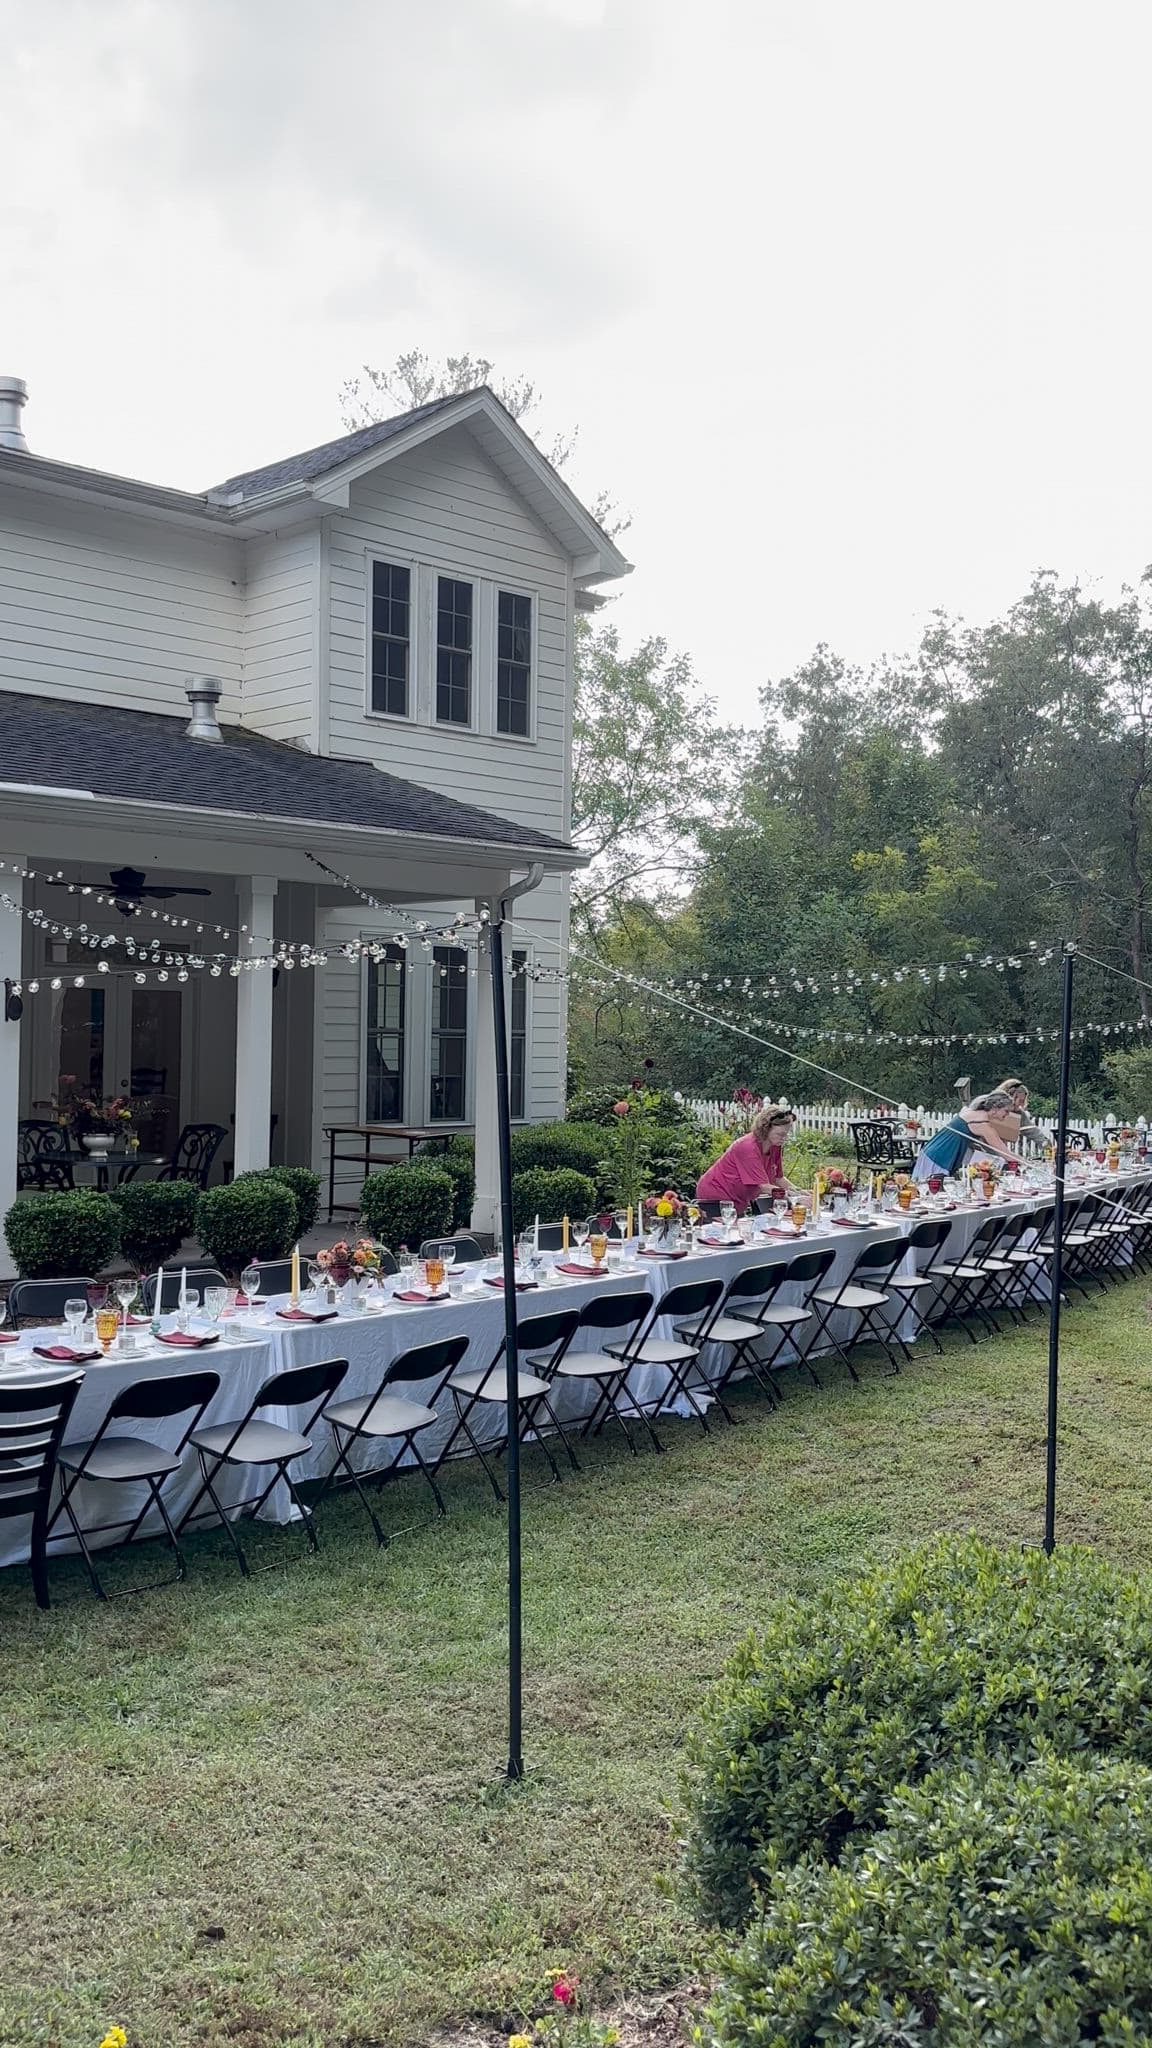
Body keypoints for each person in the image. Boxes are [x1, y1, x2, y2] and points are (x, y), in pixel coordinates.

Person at [696, 1104, 796, 1212]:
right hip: (716, 1195)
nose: (784, 1138)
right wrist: (794, 1197)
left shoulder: (775, 1146)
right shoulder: (748, 1147)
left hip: (736, 1199)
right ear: (766, 1129)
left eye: (786, 1134)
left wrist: (800, 1192)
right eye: (780, 1134)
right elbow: (762, 1187)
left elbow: (778, 1178)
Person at [911, 1089, 1023, 1182]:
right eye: (1006, 1111)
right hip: (941, 1156)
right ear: (996, 1107)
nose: (1007, 1115)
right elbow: (1005, 1153)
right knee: (929, 1193)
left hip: (932, 1150)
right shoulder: (983, 1125)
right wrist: (1029, 1164)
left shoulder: (973, 1112)